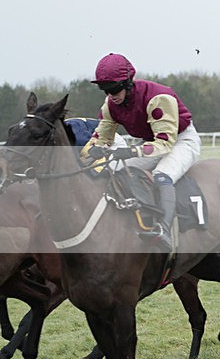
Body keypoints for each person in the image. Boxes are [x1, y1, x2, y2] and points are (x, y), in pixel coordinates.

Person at [82, 53, 201, 251]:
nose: (111, 94)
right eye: (105, 89)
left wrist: (130, 152)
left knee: (162, 175)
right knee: (114, 169)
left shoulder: (159, 98)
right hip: (150, 142)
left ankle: (164, 230)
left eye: (114, 88)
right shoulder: (110, 105)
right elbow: (101, 138)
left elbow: (165, 144)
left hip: (180, 141)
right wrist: (90, 152)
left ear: (128, 83)